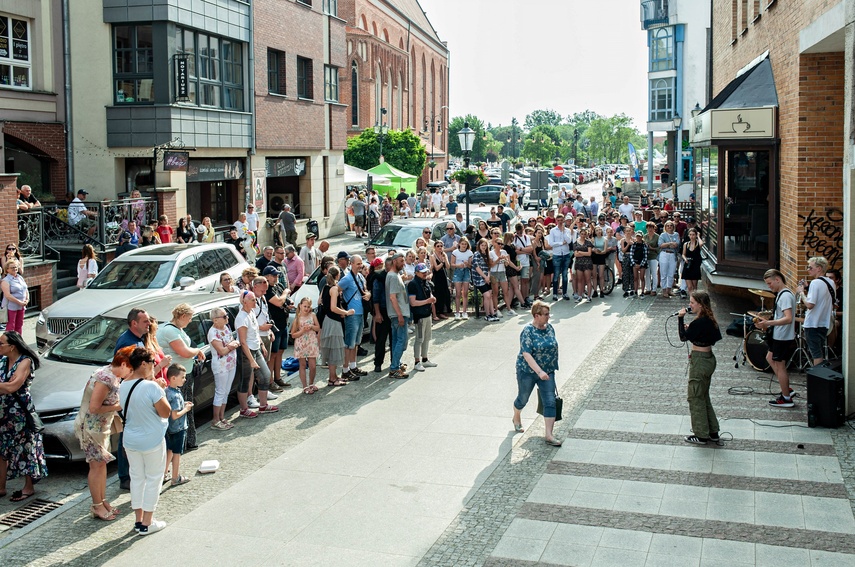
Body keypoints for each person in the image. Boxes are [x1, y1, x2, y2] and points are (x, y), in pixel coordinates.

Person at [75, 346, 134, 520]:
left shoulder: (112, 375)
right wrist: (119, 405)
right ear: (123, 364)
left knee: (101, 466)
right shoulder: (105, 378)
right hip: (91, 429)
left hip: (100, 428)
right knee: (96, 466)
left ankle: (102, 501)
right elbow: (94, 408)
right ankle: (97, 505)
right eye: (130, 369)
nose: (130, 373)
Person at [119, 347, 170, 535]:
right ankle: (148, 522)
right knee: (154, 478)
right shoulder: (152, 387)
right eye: (152, 363)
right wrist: (161, 392)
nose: (154, 366)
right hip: (152, 439)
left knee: (137, 478)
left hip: (131, 439)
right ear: (143, 364)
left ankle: (138, 520)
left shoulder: (123, 385)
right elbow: (165, 412)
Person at [156, 303, 207, 447]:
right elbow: (184, 352)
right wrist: (196, 351)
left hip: (183, 373)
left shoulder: (177, 329)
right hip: (176, 376)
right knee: (180, 408)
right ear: (182, 316)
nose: (191, 321)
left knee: (186, 407)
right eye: (190, 317)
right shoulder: (170, 331)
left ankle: (187, 441)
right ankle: (182, 443)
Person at [512, 301, 561, 447]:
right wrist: (539, 371)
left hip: (548, 371)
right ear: (536, 315)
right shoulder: (527, 331)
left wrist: (548, 369)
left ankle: (549, 434)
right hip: (528, 371)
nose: (548, 317)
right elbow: (526, 354)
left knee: (550, 401)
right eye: (545, 314)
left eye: (548, 314)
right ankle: (516, 416)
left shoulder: (550, 328)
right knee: (523, 398)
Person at [677, 291, 722, 445]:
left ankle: (701, 435)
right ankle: (713, 431)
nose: (690, 305)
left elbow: (683, 337)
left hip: (700, 361)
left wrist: (680, 318)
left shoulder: (699, 322)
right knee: (704, 396)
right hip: (709, 359)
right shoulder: (710, 320)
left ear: (701, 305)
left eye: (692, 303)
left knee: (695, 397)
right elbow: (712, 338)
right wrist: (694, 330)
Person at [755, 269, 797, 408]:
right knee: (770, 358)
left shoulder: (785, 296)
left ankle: (786, 398)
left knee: (780, 365)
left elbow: (788, 318)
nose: (769, 286)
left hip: (782, 337)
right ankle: (786, 389)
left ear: (777, 279)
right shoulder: (783, 294)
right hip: (780, 335)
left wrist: (768, 323)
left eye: (770, 283)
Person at [235, 290, 278, 414]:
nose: (255, 301)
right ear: (245, 302)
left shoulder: (252, 312)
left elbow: (255, 332)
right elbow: (243, 342)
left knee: (265, 375)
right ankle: (244, 409)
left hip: (256, 348)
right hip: (246, 352)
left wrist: (262, 344)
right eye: (253, 300)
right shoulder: (241, 318)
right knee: (245, 380)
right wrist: (252, 360)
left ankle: (263, 405)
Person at [798, 256, 835, 366]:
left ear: (819, 268)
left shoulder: (815, 283)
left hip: (813, 324)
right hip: (824, 322)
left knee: (816, 354)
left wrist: (801, 293)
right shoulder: (830, 282)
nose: (808, 269)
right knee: (819, 351)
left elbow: (810, 304)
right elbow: (820, 296)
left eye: (810, 267)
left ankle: (817, 379)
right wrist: (808, 287)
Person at [320, 266, 353, 386]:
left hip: (327, 320)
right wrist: (346, 312)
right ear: (338, 275)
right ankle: (332, 379)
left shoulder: (325, 287)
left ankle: (333, 376)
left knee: (332, 349)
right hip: (333, 321)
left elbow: (321, 302)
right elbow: (333, 307)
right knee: (334, 349)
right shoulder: (334, 289)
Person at [207, 307, 239, 430]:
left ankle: (222, 417)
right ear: (215, 320)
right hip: (221, 366)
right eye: (224, 316)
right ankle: (215, 420)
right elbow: (222, 350)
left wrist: (231, 345)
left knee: (226, 391)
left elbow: (231, 342)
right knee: (220, 391)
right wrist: (231, 346)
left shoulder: (226, 327)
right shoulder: (213, 333)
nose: (227, 318)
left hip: (231, 363)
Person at [262, 266, 291, 389]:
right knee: (273, 354)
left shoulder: (278, 286)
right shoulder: (268, 290)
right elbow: (279, 302)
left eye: (277, 275)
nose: (276, 278)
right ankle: (270, 381)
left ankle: (278, 378)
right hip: (275, 326)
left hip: (283, 323)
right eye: (273, 276)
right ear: (267, 277)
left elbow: (285, 302)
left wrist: (288, 303)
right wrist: (285, 293)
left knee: (280, 352)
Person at [163, 364, 193, 486]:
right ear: (173, 378)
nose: (185, 379)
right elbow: (175, 415)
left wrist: (184, 403)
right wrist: (186, 408)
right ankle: (175, 477)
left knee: (170, 449)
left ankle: (164, 473)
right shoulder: (175, 395)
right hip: (178, 428)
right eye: (183, 377)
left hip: (170, 428)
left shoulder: (168, 391)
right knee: (177, 453)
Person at [385, 253, 410, 378]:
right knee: (402, 341)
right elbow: (392, 297)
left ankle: (396, 363)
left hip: (396, 314)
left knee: (396, 341)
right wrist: (400, 315)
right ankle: (394, 368)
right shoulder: (393, 277)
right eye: (401, 261)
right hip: (398, 314)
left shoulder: (395, 275)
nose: (403, 263)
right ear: (394, 261)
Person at [408, 263, 437, 372]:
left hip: (427, 314)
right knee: (419, 339)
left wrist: (432, 298)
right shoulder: (413, 284)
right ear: (416, 273)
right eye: (422, 272)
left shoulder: (426, 282)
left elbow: (429, 294)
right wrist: (427, 301)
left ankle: (425, 359)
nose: (425, 273)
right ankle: (417, 361)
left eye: (425, 271)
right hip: (419, 316)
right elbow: (413, 302)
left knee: (427, 338)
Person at [292, 297, 321, 394]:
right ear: (300, 306)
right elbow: (293, 334)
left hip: (311, 342)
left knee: (313, 366)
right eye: (304, 306)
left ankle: (311, 383)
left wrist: (312, 326)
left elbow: (318, 328)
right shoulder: (297, 318)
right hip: (301, 343)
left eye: (308, 307)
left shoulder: (312, 315)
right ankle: (304, 386)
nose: (306, 309)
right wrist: (302, 331)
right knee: (303, 365)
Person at [548, 214, 574, 301]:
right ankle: (555, 293)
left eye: (561, 220)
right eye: (558, 220)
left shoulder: (567, 230)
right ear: (556, 221)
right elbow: (551, 243)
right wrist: (560, 243)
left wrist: (563, 232)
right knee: (556, 275)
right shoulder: (552, 230)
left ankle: (565, 293)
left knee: (565, 275)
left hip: (566, 254)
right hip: (557, 255)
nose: (560, 222)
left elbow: (569, 240)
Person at [1, 260, 28, 335]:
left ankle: (18, 342)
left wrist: (27, 300)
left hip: (21, 306)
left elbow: (25, 289)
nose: (14, 269)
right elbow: (8, 295)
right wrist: (20, 302)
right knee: (11, 326)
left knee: (19, 325)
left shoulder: (20, 278)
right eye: (12, 267)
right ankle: (9, 342)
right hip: (11, 306)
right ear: (7, 269)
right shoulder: (5, 281)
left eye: (15, 267)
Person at [658, 220, 680, 298]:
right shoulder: (663, 235)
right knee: (663, 273)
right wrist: (670, 243)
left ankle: (669, 290)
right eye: (667, 225)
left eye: (671, 225)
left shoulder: (676, 234)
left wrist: (667, 244)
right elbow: (661, 245)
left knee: (671, 273)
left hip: (673, 254)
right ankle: (664, 290)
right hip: (664, 254)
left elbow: (677, 244)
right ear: (665, 227)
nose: (669, 227)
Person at [430, 241, 452, 318]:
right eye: (438, 246)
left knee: (445, 293)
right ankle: (437, 312)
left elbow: (448, 267)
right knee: (437, 293)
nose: (440, 248)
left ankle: (443, 311)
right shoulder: (432, 256)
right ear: (435, 247)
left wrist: (445, 259)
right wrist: (442, 262)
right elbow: (436, 268)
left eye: (441, 246)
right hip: (436, 276)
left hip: (443, 275)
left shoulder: (444, 255)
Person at [681, 228, 704, 294]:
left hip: (695, 266)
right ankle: (691, 300)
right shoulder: (686, 244)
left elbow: (701, 244)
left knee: (694, 286)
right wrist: (685, 259)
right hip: (688, 265)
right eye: (690, 235)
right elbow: (683, 254)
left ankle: (695, 300)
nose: (692, 236)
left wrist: (698, 237)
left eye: (693, 235)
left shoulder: (697, 243)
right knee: (689, 287)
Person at [629, 231, 648, 299]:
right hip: (635, 262)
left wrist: (641, 264)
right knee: (635, 278)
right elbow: (631, 254)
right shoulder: (634, 245)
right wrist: (634, 263)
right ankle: (636, 291)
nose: (638, 237)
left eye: (639, 236)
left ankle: (642, 292)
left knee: (642, 277)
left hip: (642, 263)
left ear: (642, 237)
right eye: (637, 236)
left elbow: (645, 256)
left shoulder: (644, 245)